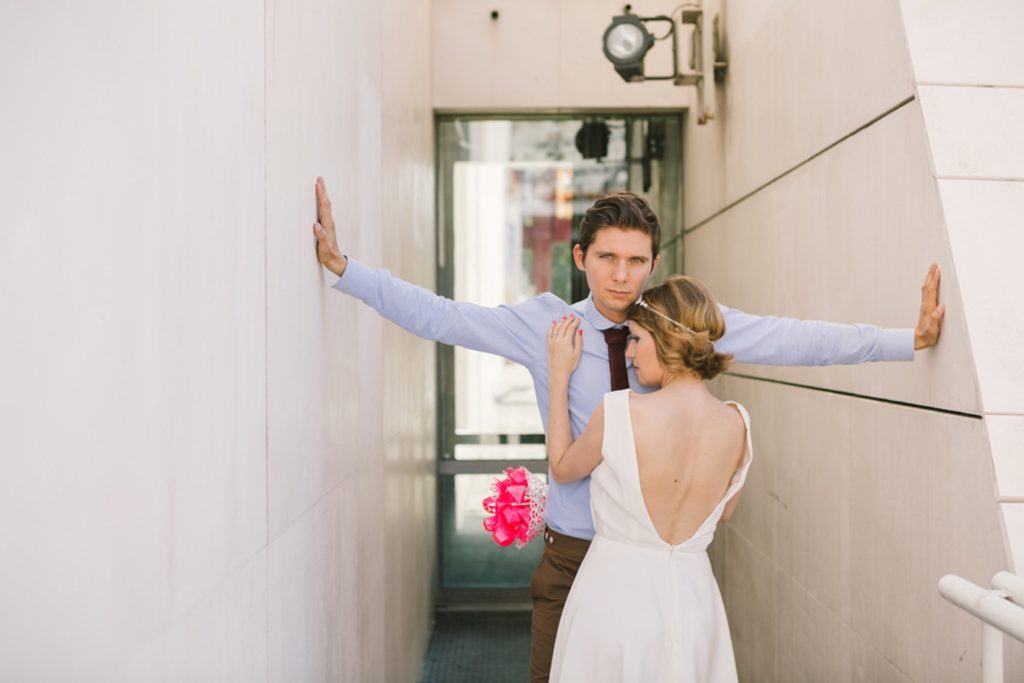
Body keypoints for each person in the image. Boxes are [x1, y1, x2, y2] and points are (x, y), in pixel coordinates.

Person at [311, 177, 944, 682]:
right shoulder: (548, 327)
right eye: (608, 258)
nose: (621, 275)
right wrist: (347, 270)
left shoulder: (681, 325)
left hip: (659, 570)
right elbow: (443, 316)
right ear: (580, 257)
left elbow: (792, 338)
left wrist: (903, 341)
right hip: (574, 555)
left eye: (636, 260)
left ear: (654, 262)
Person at [545, 276, 748, 682]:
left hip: (615, 598)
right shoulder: (737, 422)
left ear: (667, 338)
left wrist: (558, 377)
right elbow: (723, 512)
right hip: (693, 604)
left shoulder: (619, 410)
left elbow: (563, 468)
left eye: (636, 338)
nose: (631, 353)